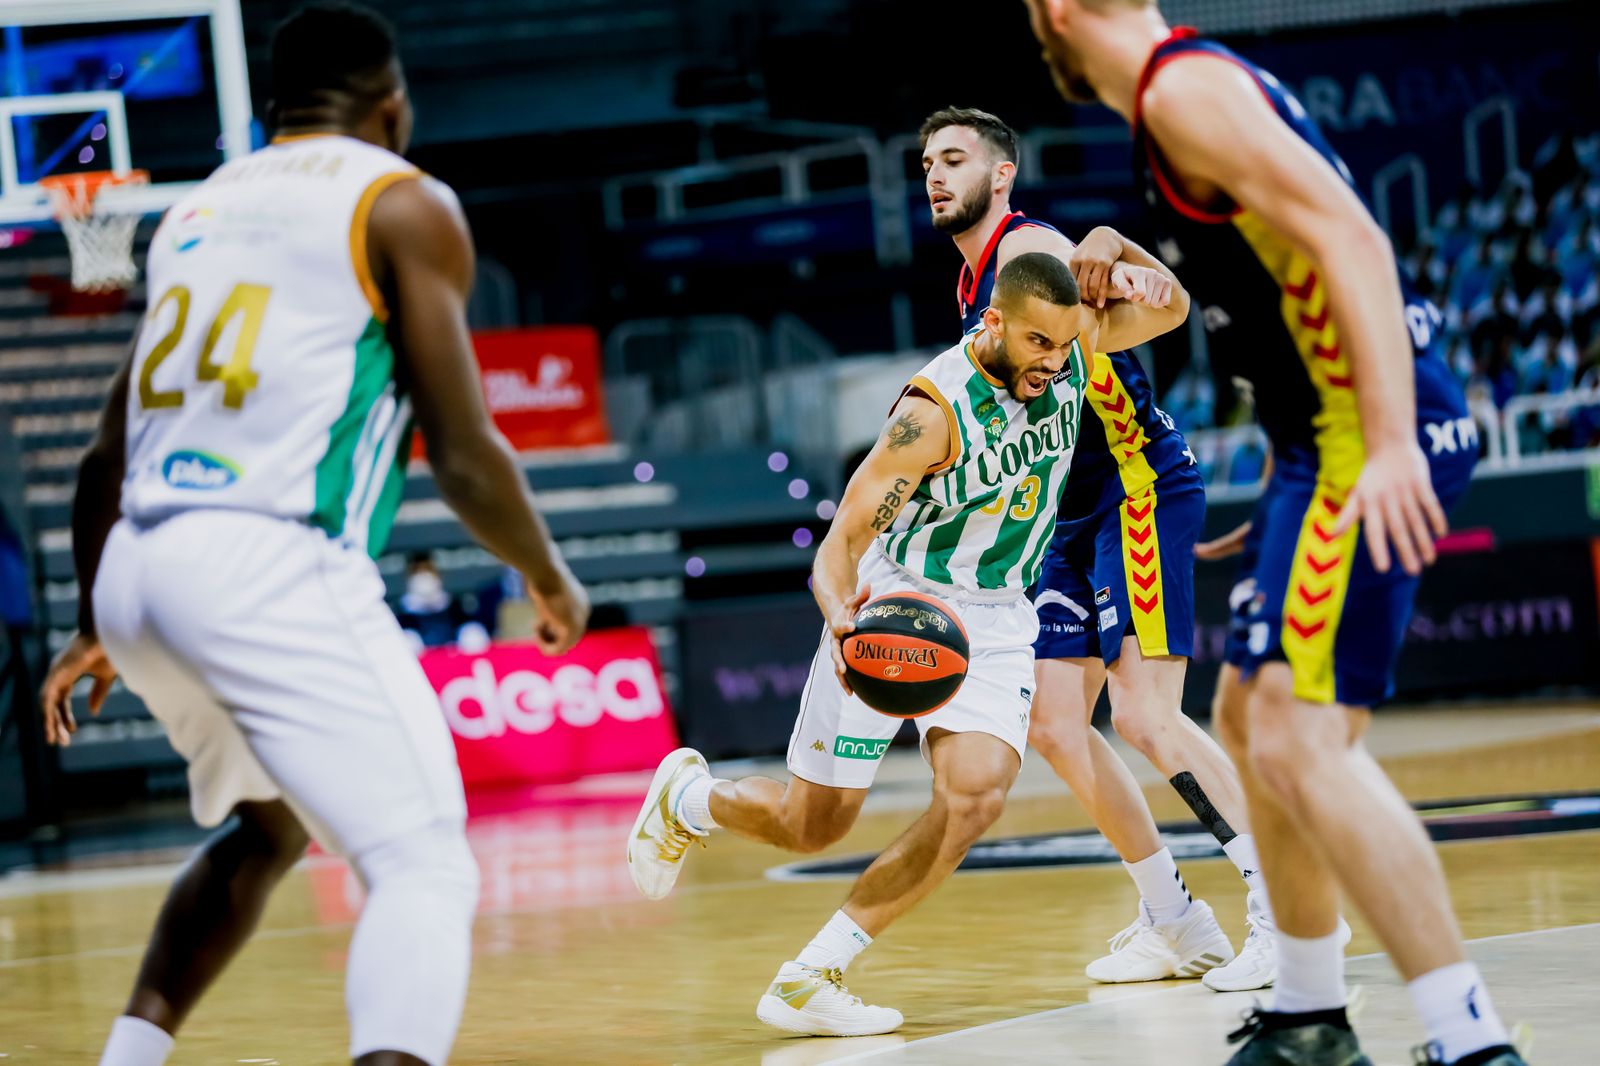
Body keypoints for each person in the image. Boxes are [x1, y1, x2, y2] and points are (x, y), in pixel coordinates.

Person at [38, 5, 589, 1065]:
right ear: (392, 105)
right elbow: (463, 451)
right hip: (265, 561)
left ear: (277, 102)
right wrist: (549, 576)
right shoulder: (401, 202)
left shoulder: (197, 210)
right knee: (423, 863)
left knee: (269, 824)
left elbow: (106, 450)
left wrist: (93, 620)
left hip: (137, 566)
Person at [1022, 3, 1519, 1065]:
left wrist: (1387, 441)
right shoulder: (1171, 107)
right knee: (1247, 720)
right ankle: (1307, 1015)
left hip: (1359, 438)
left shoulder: (1180, 91)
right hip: (1315, 449)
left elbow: (1355, 238)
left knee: (1295, 734)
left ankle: (1470, 1038)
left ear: (1058, 11)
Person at [628, 250, 1187, 1035]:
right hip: (900, 604)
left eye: (1065, 346)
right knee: (812, 825)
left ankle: (810, 977)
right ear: (993, 322)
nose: (1053, 363)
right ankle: (688, 799)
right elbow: (842, 539)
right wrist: (839, 611)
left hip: (997, 615)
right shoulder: (931, 414)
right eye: (1037, 344)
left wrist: (1117, 251)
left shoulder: (1069, 351)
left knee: (977, 795)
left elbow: (1174, 309)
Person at [920, 105, 1283, 990]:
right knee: (1054, 725)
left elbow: (1167, 305)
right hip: (1068, 514)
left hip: (1136, 486)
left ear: (1001, 174)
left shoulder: (1028, 250)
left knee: (1147, 715)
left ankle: (1289, 908)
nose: (934, 174)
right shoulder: (973, 283)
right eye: (927, 162)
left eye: (955, 159)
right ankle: (1175, 920)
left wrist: (1115, 245)